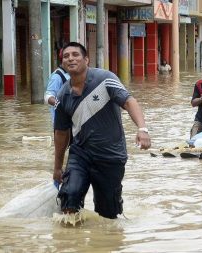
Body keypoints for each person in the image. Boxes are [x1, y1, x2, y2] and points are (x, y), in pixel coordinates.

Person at [53, 42, 151, 219]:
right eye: (66, 56)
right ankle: (72, 243)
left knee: (108, 214)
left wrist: (142, 129)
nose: (70, 58)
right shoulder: (62, 95)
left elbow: (129, 101)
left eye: (75, 54)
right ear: (63, 63)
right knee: (69, 198)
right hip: (80, 154)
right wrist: (57, 167)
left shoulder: (105, 79)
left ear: (86, 60)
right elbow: (61, 133)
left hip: (110, 155)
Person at [44, 56, 70, 125]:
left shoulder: (72, 73)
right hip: (61, 121)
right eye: (67, 57)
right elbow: (48, 96)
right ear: (62, 60)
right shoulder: (57, 76)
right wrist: (63, 106)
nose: (71, 60)